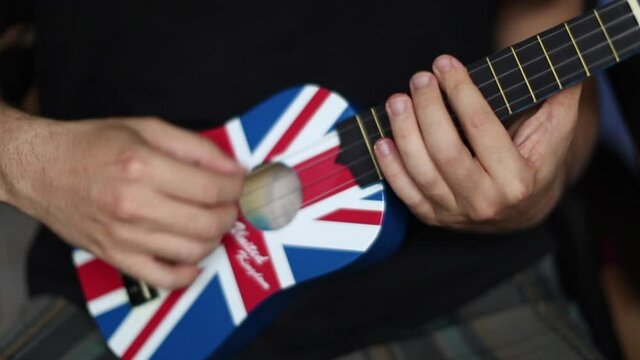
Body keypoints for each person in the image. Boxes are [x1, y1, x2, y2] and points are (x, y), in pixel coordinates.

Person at [0, 0, 602, 358]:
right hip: (125, 294)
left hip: (458, 288)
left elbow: (545, 17)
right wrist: (30, 162)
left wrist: (541, 178)